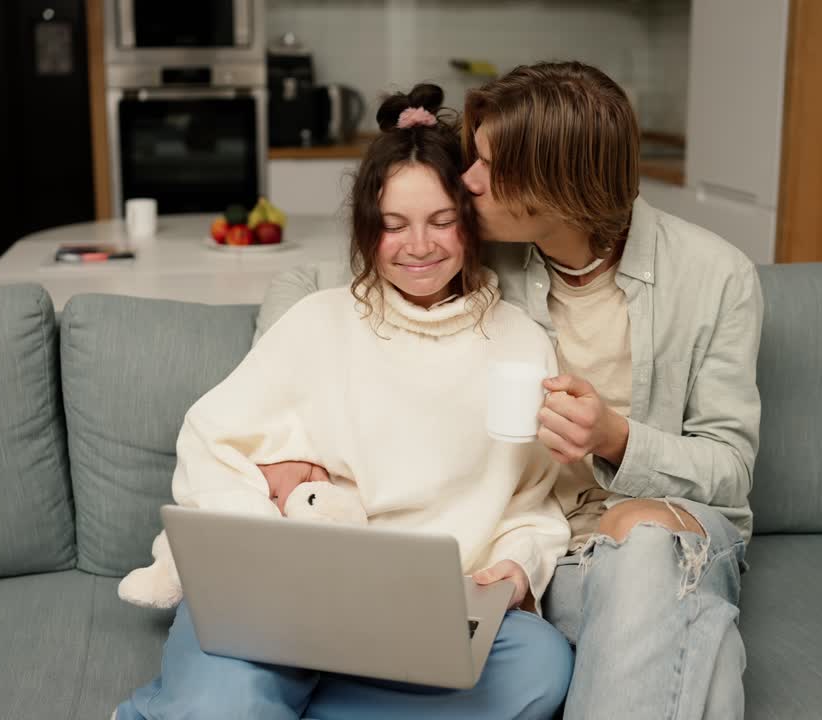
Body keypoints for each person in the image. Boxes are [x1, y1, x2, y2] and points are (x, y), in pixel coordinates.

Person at [255, 61, 764, 719]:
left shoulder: (718, 277)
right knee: (706, 662)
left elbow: (732, 470)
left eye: (489, 167)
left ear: (557, 184)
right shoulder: (481, 249)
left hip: (674, 536)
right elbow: (304, 286)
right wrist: (286, 433)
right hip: (556, 559)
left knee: (639, 532)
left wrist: (616, 438)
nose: (466, 181)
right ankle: (698, 635)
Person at [116, 84, 573, 720]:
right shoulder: (318, 322)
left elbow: (535, 502)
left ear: (472, 223)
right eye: (394, 226)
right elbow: (210, 440)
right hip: (285, 597)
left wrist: (516, 568)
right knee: (227, 702)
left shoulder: (522, 344)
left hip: (421, 616)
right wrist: (264, 528)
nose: (420, 245)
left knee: (541, 666)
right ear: (367, 229)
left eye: (442, 221)